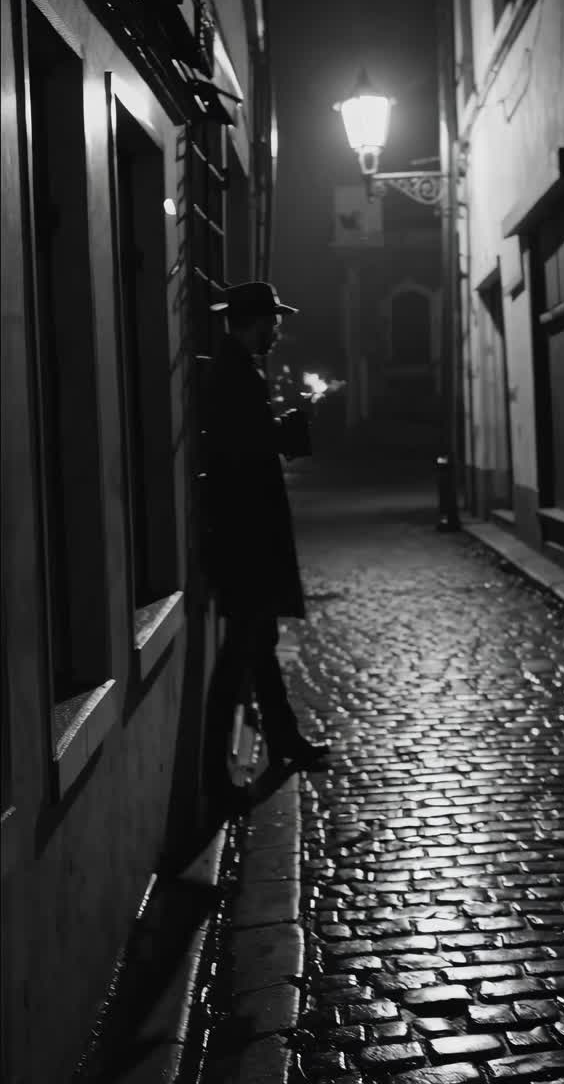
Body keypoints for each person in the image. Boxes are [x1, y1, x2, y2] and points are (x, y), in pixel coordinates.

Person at [203, 281, 329, 812]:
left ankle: (285, 739)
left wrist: (280, 428)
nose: (277, 331)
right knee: (239, 655)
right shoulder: (235, 374)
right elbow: (241, 450)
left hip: (246, 530)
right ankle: (216, 778)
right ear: (255, 322)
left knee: (258, 645)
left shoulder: (237, 369)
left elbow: (247, 439)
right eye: (273, 322)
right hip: (246, 533)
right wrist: (287, 431)